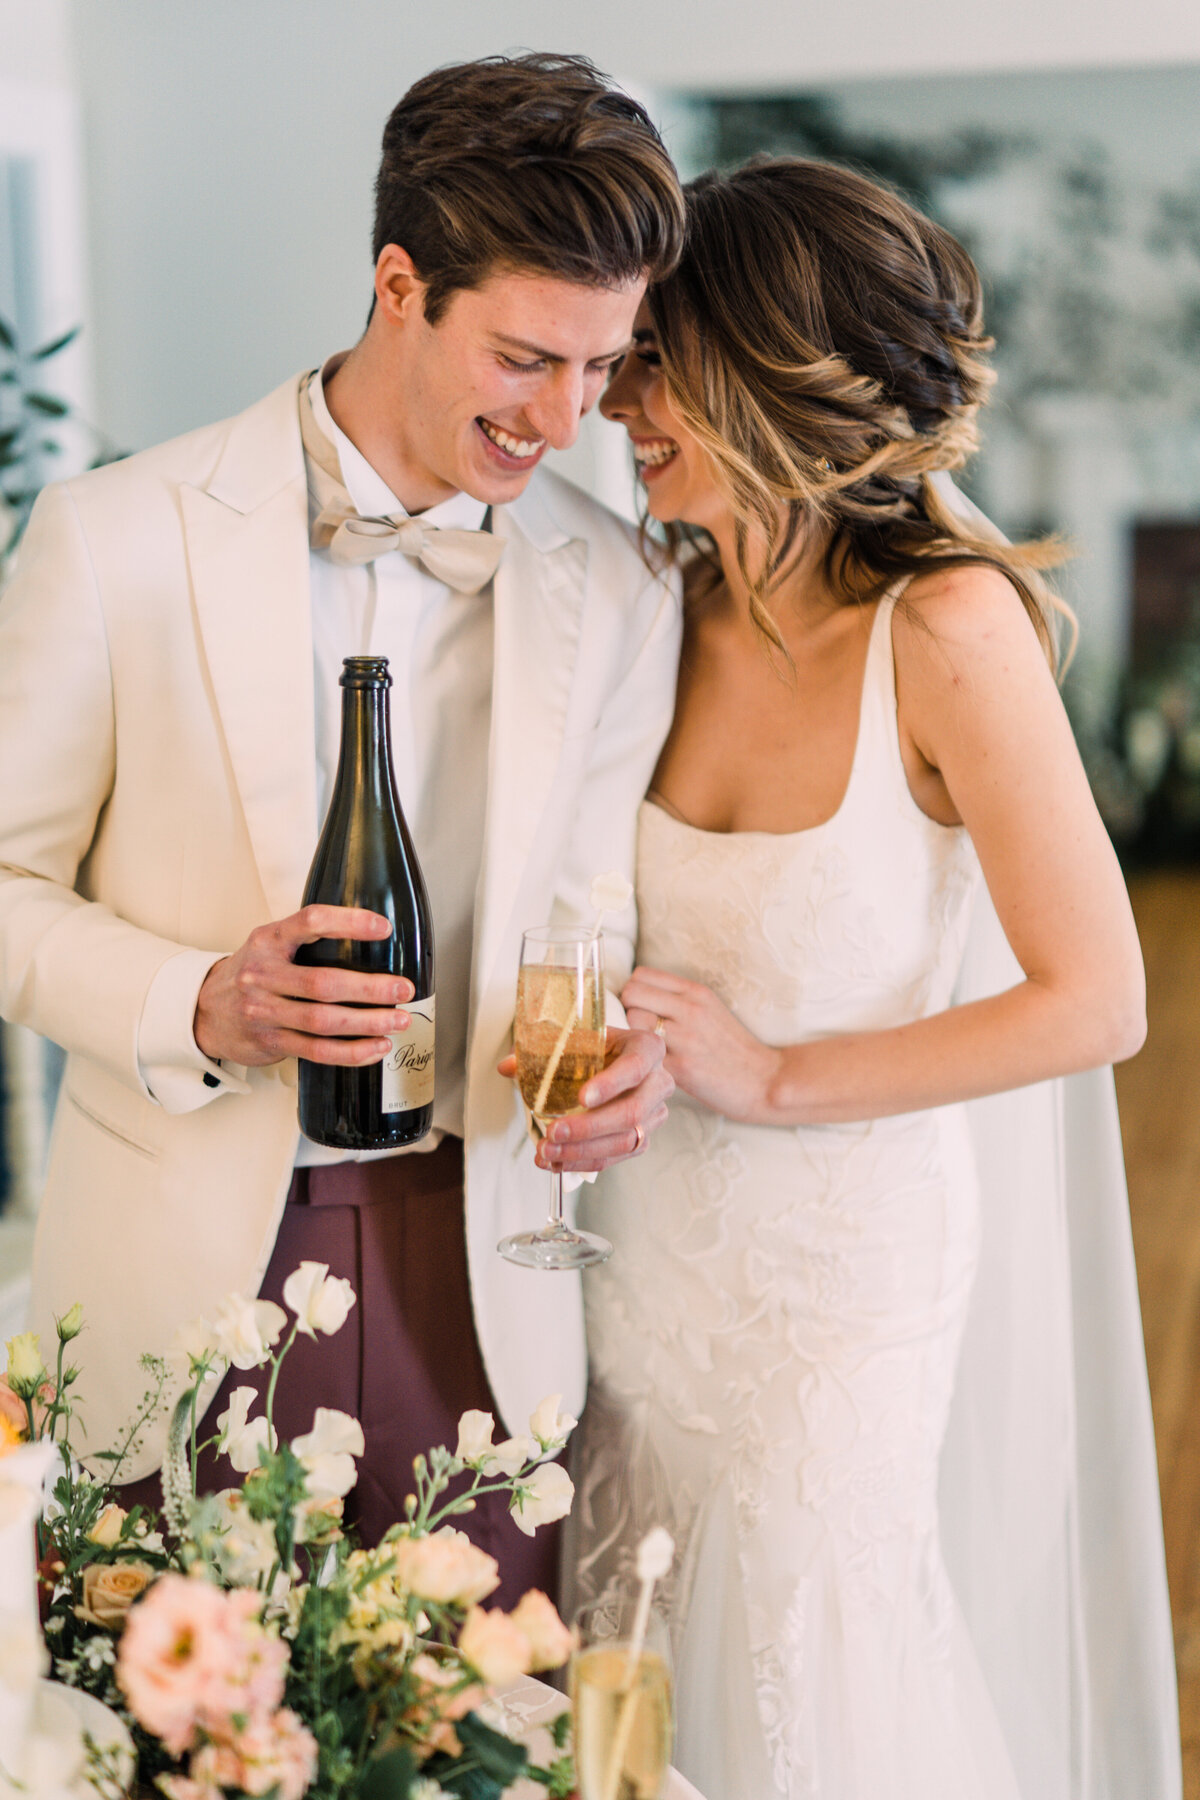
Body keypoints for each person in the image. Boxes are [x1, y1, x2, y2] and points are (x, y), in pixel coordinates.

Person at [0, 53, 680, 1597]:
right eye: (524, 359)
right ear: (398, 283)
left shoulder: (629, 589)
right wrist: (196, 998)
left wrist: (628, 1051)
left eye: (602, 369)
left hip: (492, 1276)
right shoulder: (116, 538)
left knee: (479, 1739)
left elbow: (601, 913)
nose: (566, 421)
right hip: (184, 1275)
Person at [560, 159, 1181, 1797]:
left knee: (811, 1679)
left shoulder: (945, 628)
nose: (619, 400)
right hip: (634, 1265)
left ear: (771, 371)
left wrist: (770, 1078)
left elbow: (1097, 999)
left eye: (656, 360)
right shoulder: (652, 605)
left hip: (833, 1286)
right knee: (636, 1680)